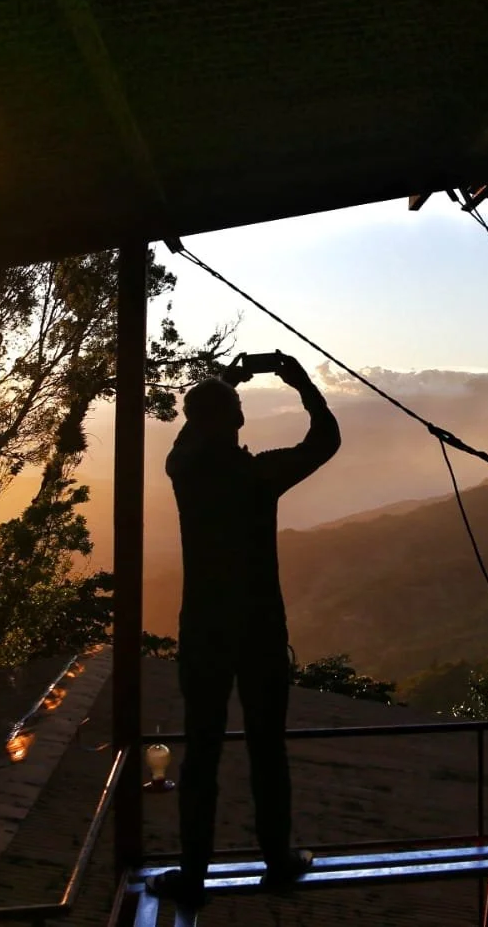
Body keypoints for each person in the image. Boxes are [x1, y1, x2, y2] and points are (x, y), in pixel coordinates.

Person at [157, 352, 341, 905]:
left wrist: (224, 382)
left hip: (202, 629)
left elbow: (192, 430)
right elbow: (325, 440)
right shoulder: (258, 475)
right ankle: (277, 860)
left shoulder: (183, 470)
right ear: (238, 419)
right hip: (259, 630)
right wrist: (301, 381)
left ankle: (193, 876)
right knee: (267, 748)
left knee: (200, 752)